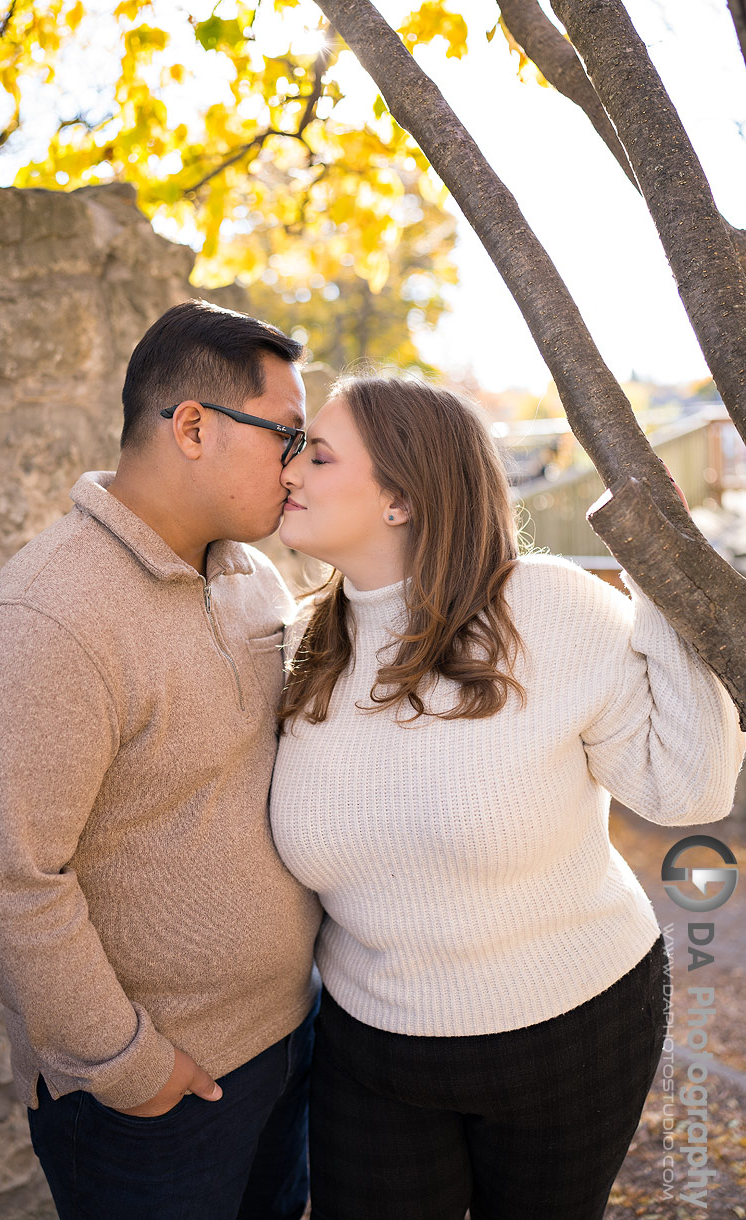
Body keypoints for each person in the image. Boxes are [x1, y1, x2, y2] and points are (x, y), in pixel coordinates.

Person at [269, 374, 745, 1220]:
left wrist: (657, 583)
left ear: (401, 500)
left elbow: (687, 789)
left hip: (572, 1029)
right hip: (369, 1046)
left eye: (318, 451)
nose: (289, 467)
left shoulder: (545, 608)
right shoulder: (299, 642)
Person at [0, 300, 323, 1220]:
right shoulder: (48, 620)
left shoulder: (250, 576)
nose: (300, 464)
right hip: (154, 1102)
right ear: (193, 427)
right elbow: (7, 882)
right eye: (287, 436)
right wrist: (131, 1070)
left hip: (288, 1045)